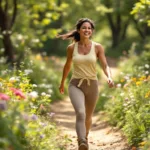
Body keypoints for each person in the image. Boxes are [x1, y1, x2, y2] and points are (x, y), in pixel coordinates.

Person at [58, 18, 114, 150]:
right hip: (75, 84)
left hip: (92, 85)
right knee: (81, 113)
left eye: (89, 28)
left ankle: (85, 137)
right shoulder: (71, 48)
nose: (87, 30)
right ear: (78, 30)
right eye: (84, 28)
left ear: (92, 31)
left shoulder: (97, 47)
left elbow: (105, 65)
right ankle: (81, 141)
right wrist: (61, 83)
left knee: (88, 117)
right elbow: (67, 66)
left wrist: (109, 77)